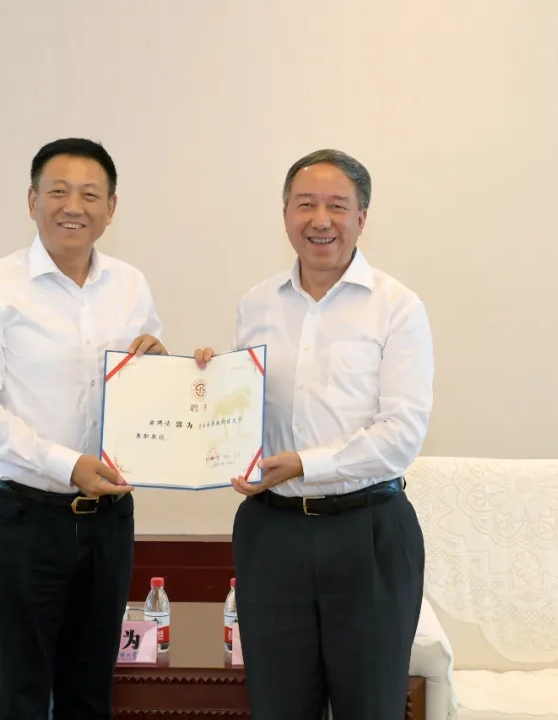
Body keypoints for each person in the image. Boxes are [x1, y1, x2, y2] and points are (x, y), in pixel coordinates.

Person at [195, 149, 433, 720]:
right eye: (305, 204)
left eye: (336, 206)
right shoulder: (256, 304)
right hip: (272, 534)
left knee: (371, 708)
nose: (320, 220)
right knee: (277, 706)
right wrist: (202, 385)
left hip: (368, 533)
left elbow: (401, 434)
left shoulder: (398, 308)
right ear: (285, 215)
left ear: (361, 218)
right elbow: (244, 411)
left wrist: (306, 463)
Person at [0, 138, 165, 720]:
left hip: (108, 522)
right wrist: (68, 465)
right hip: (23, 520)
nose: (74, 206)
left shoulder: (130, 285)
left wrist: (165, 369)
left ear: (111, 208)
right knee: (20, 693)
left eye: (90, 194)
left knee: (91, 692)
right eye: (59, 192)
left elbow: (141, 383)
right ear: (32, 200)